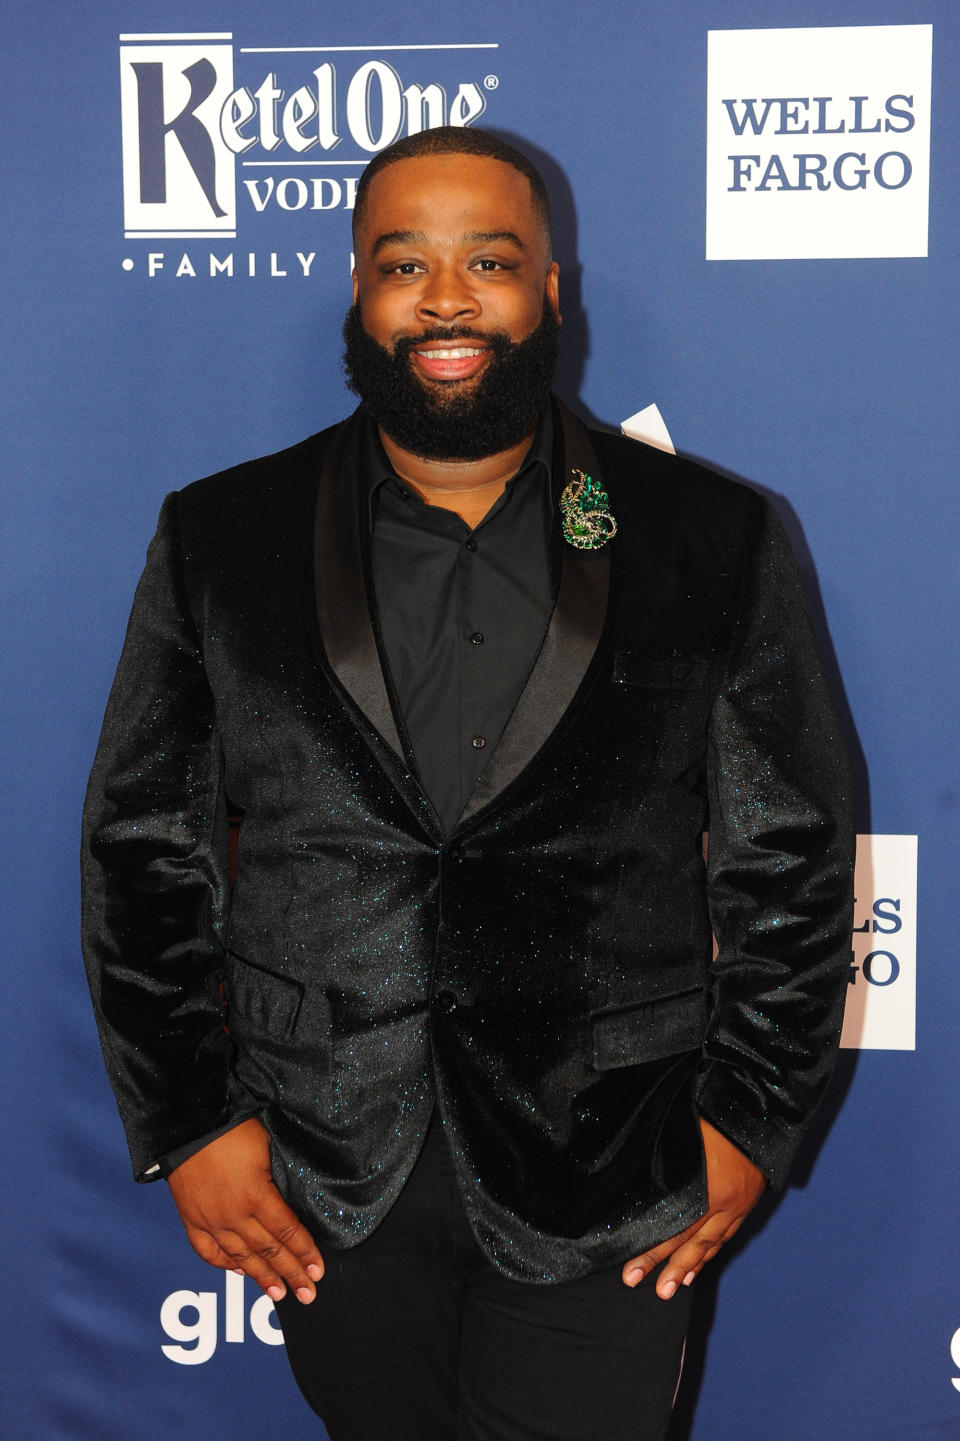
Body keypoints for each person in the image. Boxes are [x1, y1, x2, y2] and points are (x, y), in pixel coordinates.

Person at [82, 126, 854, 1441]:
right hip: (325, 1162)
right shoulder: (220, 535)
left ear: (553, 289)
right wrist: (186, 1119)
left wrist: (749, 1121)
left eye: (488, 260)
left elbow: (792, 852)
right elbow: (142, 848)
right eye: (404, 264)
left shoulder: (711, 536)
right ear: (358, 292)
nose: (446, 298)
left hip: (615, 1156)